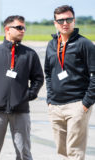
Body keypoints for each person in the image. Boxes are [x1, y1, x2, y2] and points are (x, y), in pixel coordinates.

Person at [0, 15, 44, 160]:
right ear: (7, 29)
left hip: (21, 111)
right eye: (19, 27)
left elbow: (38, 78)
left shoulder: (30, 54)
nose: (22, 31)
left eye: (24, 28)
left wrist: (28, 95)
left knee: (24, 154)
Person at [45, 5, 95, 160]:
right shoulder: (52, 45)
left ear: (74, 21)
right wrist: (50, 99)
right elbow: (48, 72)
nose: (65, 23)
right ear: (55, 23)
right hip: (55, 106)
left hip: (77, 105)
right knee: (62, 151)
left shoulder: (84, 44)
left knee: (74, 152)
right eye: (61, 20)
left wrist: (86, 103)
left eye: (68, 19)